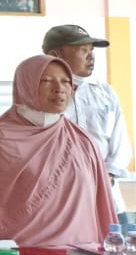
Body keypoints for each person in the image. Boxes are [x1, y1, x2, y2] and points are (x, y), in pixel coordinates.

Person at [0, 55, 115, 248]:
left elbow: (99, 206)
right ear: (26, 86)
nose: (59, 89)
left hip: (79, 254)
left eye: (66, 82)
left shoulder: (82, 141)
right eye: (46, 81)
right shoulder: (2, 139)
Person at [43, 24, 133, 192]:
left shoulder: (105, 92)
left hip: (105, 189)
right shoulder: (39, 95)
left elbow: (121, 142)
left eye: (91, 50)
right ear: (55, 55)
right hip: (59, 193)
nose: (91, 56)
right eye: (83, 50)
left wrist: (108, 175)